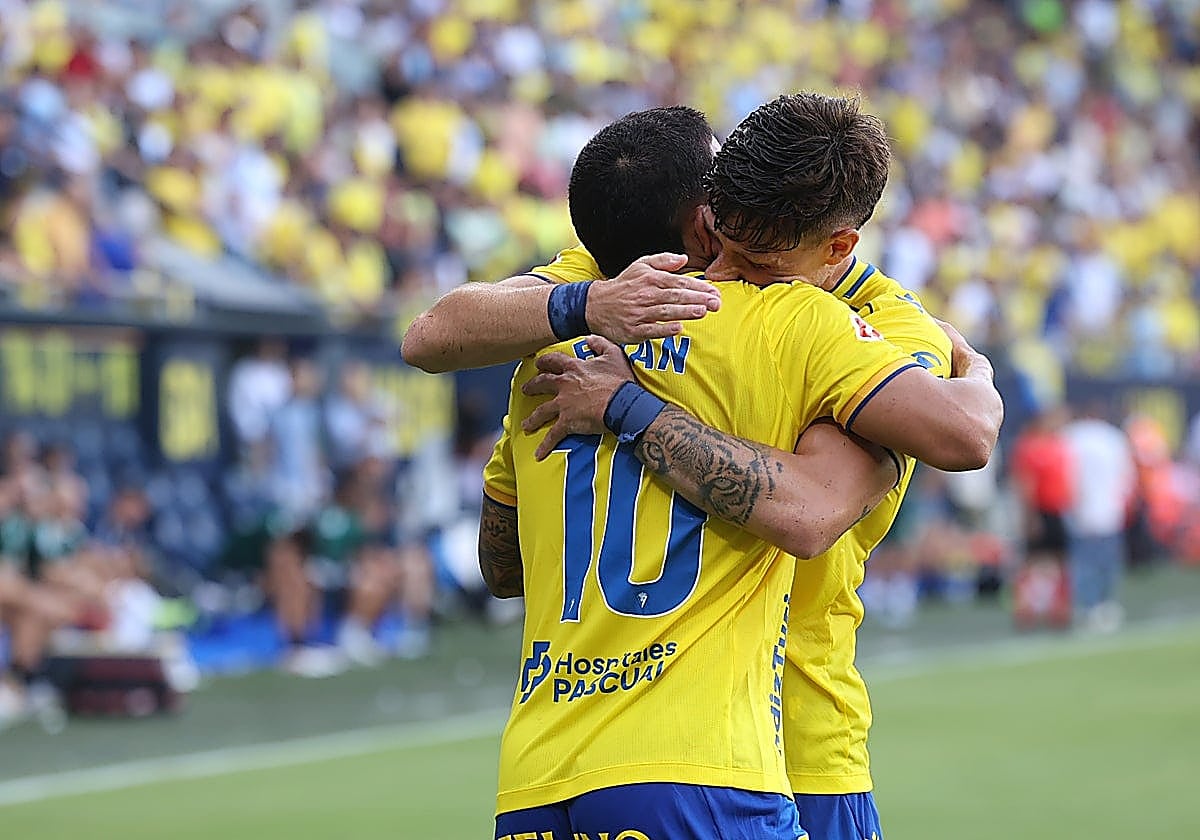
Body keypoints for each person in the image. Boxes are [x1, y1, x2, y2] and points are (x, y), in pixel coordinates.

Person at [406, 97, 1002, 839]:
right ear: (705, 219)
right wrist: (977, 372)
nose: (727, 263)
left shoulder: (570, 332)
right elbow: (825, 504)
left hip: (552, 764)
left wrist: (616, 389)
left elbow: (503, 562)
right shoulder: (798, 322)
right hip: (732, 756)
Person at [1062, 404, 1135, 632]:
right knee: (1105, 562)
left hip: (1080, 509)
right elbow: (1127, 477)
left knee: (1084, 563)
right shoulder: (1113, 438)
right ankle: (1103, 605)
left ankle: (1087, 608)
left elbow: (1065, 475)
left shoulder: (1071, 436)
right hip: (1109, 509)